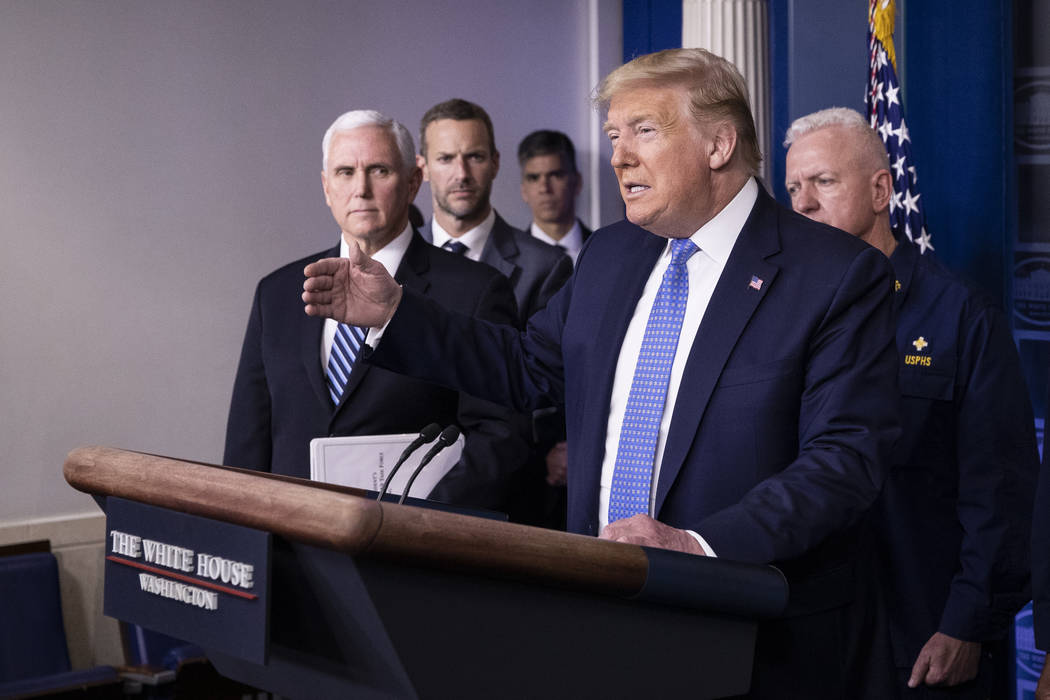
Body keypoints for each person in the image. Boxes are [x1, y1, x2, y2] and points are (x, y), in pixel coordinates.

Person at [304, 49, 900, 699]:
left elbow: (844, 462)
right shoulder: (611, 254)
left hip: (752, 636)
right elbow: (529, 369)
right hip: (600, 617)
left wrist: (697, 545)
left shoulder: (835, 275)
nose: (618, 157)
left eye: (644, 130)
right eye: (614, 136)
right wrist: (395, 313)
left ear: (719, 144)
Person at [784, 106, 1038, 698]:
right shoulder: (785, 317)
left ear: (880, 190)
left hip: (925, 635)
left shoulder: (961, 315)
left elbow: (998, 485)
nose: (803, 204)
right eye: (793, 187)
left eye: (823, 182)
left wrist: (968, 622)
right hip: (814, 633)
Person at [224, 109, 530, 512]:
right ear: (326, 187)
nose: (361, 189)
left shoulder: (474, 290)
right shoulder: (276, 293)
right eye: (345, 172)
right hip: (289, 549)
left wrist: (417, 523)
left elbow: (501, 439)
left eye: (379, 170)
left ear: (413, 182)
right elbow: (248, 442)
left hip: (409, 552)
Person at [417, 98, 573, 328]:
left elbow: (541, 362)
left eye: (475, 157)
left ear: (495, 163)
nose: (462, 174)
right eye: (446, 159)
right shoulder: (396, 256)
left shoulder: (545, 267)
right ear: (423, 169)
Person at [517, 129, 591, 265]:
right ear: (523, 190)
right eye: (534, 178)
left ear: (577, 182)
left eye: (556, 175)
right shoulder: (507, 263)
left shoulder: (608, 251)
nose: (544, 188)